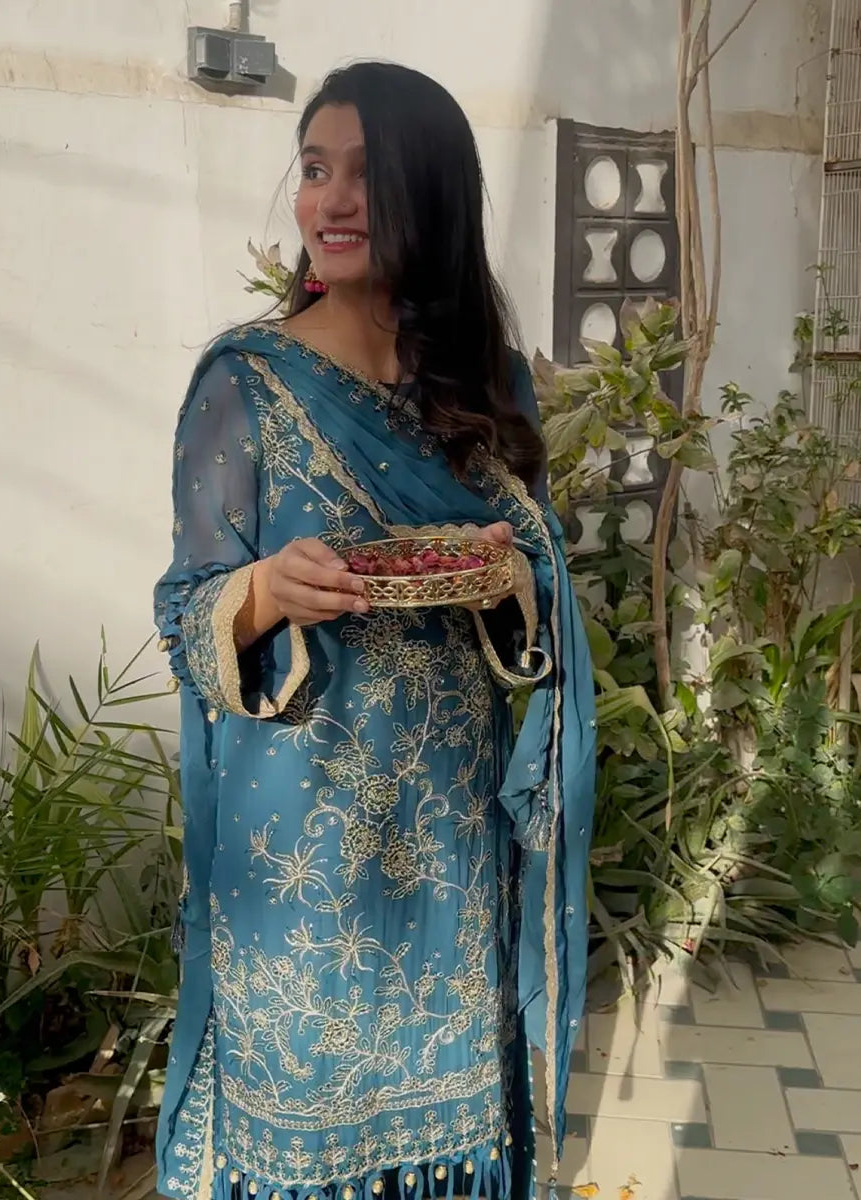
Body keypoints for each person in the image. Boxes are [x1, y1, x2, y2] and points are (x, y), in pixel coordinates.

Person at [154, 60, 595, 1200]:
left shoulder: (485, 381)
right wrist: (266, 591)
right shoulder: (246, 386)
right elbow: (185, 609)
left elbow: (533, 587)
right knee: (302, 1137)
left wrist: (504, 579)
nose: (332, 201)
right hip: (300, 855)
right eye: (315, 170)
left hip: (448, 832)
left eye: (366, 174)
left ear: (429, 193)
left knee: (453, 1129)